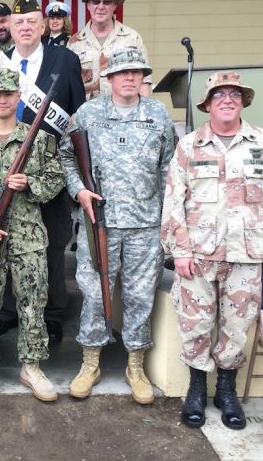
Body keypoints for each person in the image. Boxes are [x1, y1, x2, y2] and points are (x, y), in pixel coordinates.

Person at [161, 71, 263, 430]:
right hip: (198, 256)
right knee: (195, 324)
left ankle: (227, 391)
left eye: (235, 94)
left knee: (237, 326)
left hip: (246, 254)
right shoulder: (189, 146)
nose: (228, 99)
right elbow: (173, 200)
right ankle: (197, 390)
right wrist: (180, 250)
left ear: (243, 101)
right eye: (220, 95)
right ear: (207, 104)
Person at [58, 48, 176, 405]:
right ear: (109, 78)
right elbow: (65, 155)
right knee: (94, 293)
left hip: (145, 225)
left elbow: (170, 166)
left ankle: (135, 366)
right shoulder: (88, 113)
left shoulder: (158, 113)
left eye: (136, 73)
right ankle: (89, 363)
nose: (129, 78)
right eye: (122, 73)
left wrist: (168, 217)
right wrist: (79, 190)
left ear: (143, 78)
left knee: (140, 297)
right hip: (100, 224)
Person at [0, 0, 86, 343]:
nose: (25, 27)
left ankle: (52, 312)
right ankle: (9, 310)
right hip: (5, 165)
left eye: (31, 22)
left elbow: (76, 116)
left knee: (53, 240)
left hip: (47, 166)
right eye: (18, 22)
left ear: (43, 26)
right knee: (7, 236)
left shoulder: (65, 59)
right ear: (9, 27)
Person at [0, 68, 66, 403]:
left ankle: (31, 366)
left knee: (33, 303)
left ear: (18, 98)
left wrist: (30, 184)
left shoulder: (42, 140)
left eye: (9, 94)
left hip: (28, 237)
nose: (2, 100)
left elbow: (56, 179)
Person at [67, 0, 151, 99]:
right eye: (95, 1)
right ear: (88, 5)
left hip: (125, 114)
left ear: (115, 5)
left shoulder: (131, 38)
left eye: (106, 2)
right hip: (88, 114)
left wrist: (143, 114)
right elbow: (68, 85)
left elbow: (143, 81)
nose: (100, 7)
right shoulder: (74, 42)